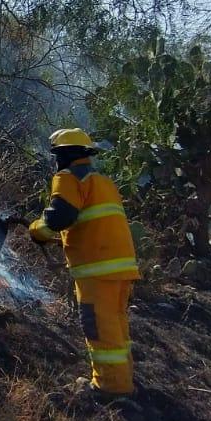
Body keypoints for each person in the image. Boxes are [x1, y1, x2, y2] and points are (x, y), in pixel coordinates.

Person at [29, 128, 139, 398]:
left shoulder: (67, 177)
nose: (55, 161)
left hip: (97, 271)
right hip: (122, 268)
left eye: (57, 155)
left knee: (99, 328)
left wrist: (37, 231)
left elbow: (60, 216)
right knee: (116, 326)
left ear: (64, 155)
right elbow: (90, 221)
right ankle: (124, 380)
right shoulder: (103, 182)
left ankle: (109, 388)